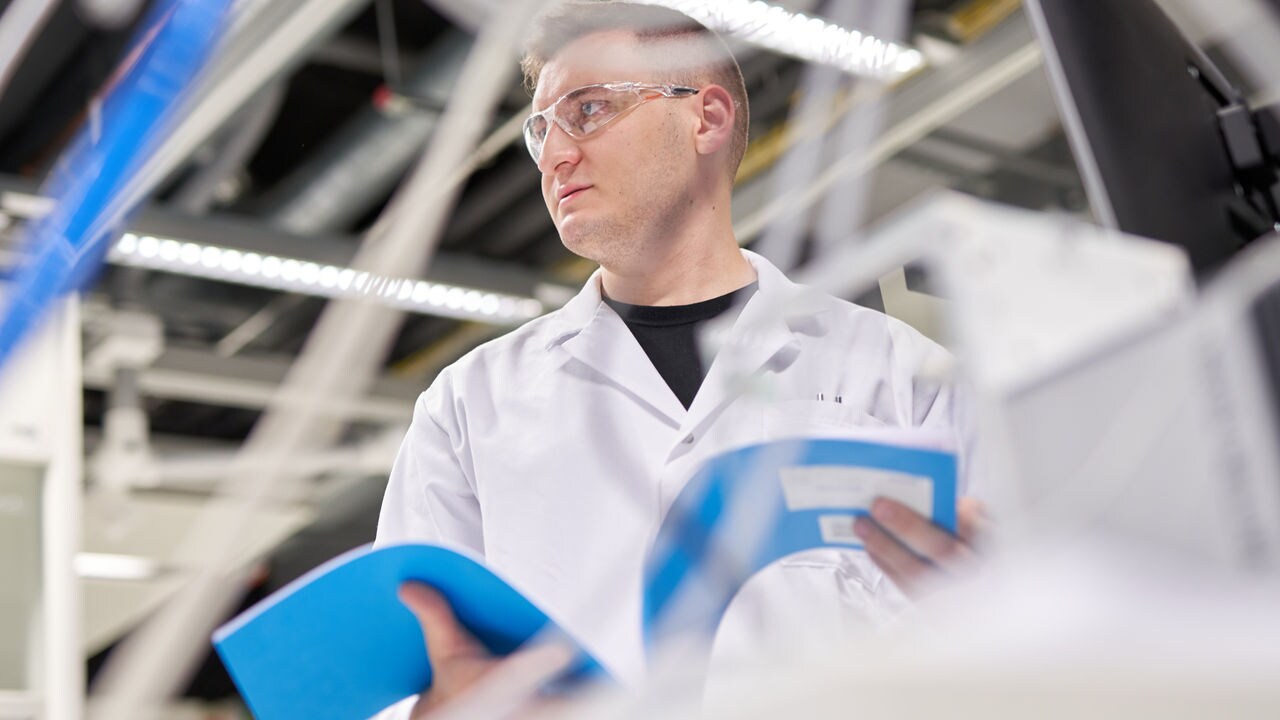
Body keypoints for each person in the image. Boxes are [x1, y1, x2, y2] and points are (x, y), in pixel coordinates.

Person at [375, 2, 983, 716]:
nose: (557, 155)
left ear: (708, 118)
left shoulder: (899, 374)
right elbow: (408, 675)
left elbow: (1003, 631)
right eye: (541, 132)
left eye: (590, 110)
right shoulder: (469, 406)